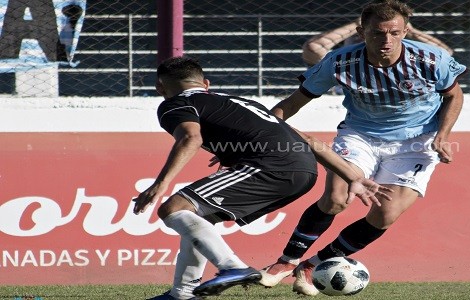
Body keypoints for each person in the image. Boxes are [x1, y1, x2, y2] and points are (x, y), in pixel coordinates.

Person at [133, 56, 391, 300]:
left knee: (174, 208)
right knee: (199, 217)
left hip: (271, 165)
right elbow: (309, 140)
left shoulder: (175, 103)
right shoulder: (239, 102)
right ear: (206, 84)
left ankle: (233, 267)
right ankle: (183, 293)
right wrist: (352, 176)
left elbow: (191, 137)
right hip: (303, 171)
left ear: (160, 87)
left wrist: (160, 184)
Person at [258, 0, 466, 296]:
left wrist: (443, 135)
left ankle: (312, 265)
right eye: (378, 34)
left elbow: (454, 96)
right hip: (361, 135)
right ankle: (286, 261)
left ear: (406, 31)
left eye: (394, 33)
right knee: (336, 198)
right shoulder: (339, 61)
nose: (386, 41)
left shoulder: (432, 59)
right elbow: (291, 103)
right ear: (361, 31)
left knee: (385, 214)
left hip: (417, 141)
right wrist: (259, 133)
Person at [301, 17, 454, 67]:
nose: (379, 40)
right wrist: (358, 24)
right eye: (374, 34)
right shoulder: (342, 61)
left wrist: (412, 32)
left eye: (392, 33)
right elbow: (314, 48)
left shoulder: (407, 60)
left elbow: (445, 54)